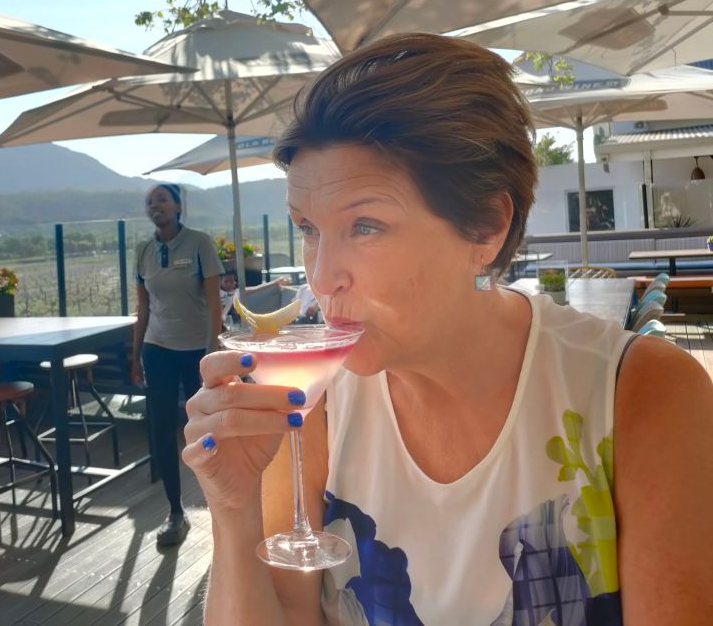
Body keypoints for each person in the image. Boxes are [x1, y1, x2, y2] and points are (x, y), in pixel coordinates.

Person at [182, 34, 713, 624]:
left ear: (486, 226)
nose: (321, 277)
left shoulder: (639, 393)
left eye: (365, 226)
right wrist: (233, 510)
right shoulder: (311, 404)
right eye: (308, 228)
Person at [132, 183, 223, 547]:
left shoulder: (199, 243)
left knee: (205, 427)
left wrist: (212, 350)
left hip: (196, 350)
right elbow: (142, 307)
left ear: (178, 206)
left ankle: (221, 504)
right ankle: (174, 512)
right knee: (161, 429)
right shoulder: (143, 251)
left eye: (162, 200)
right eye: (149, 202)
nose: (155, 206)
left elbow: (214, 302)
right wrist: (134, 354)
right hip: (157, 348)